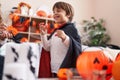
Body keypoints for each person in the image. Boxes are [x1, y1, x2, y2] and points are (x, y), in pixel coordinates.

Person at [39, 1, 82, 77]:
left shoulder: (72, 29)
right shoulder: (56, 31)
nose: (55, 13)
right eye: (54, 12)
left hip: (66, 69)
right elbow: (47, 47)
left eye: (58, 11)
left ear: (68, 14)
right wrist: (43, 35)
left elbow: (76, 47)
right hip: (54, 69)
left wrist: (65, 38)